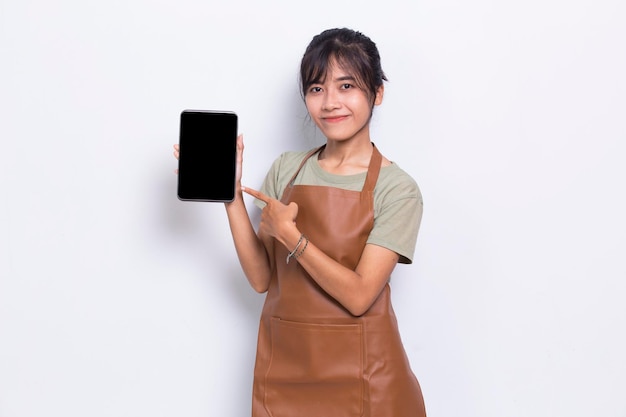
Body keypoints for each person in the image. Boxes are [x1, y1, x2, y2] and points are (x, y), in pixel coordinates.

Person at [174, 27, 426, 417]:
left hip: (366, 379)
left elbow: (360, 297)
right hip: (285, 373)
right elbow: (261, 279)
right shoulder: (287, 170)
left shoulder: (397, 189)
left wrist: (292, 236)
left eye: (346, 86)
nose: (330, 103)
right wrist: (231, 196)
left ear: (377, 93)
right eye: (316, 89)